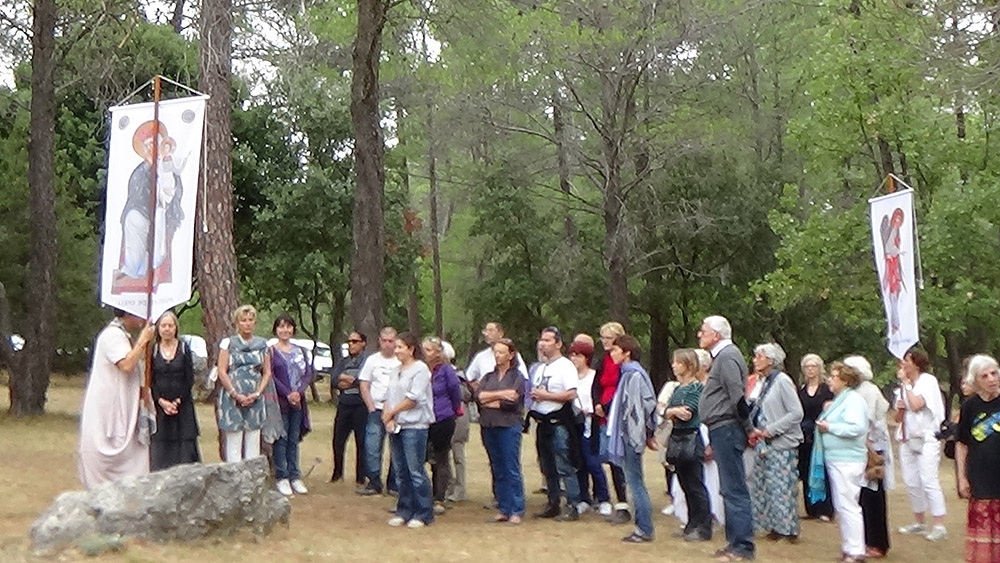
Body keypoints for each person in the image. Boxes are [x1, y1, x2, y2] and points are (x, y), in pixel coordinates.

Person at [697, 315, 755, 562]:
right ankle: (734, 542)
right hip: (720, 427)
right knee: (728, 488)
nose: (700, 334)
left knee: (734, 489)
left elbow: (737, 397)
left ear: (717, 335)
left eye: (703, 330)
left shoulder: (729, 357)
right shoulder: (721, 357)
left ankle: (743, 546)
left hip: (728, 427)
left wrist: (748, 428)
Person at [78, 309, 155, 488]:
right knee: (108, 445)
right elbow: (126, 364)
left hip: (125, 402)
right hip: (109, 405)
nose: (143, 318)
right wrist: (143, 341)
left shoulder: (123, 335)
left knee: (134, 451)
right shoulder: (112, 335)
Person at [747, 343, 804, 543]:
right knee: (764, 486)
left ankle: (789, 529)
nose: (755, 360)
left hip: (780, 442)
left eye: (759, 356)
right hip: (762, 442)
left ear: (770, 360)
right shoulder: (761, 382)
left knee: (782, 487)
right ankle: (773, 526)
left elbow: (796, 412)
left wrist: (771, 430)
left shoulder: (782, 381)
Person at [815, 361, 870, 563]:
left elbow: (856, 428)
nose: (829, 379)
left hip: (848, 459)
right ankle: (849, 546)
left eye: (833, 376)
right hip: (837, 457)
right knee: (842, 504)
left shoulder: (853, 400)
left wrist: (830, 427)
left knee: (849, 504)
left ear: (845, 380)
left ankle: (856, 550)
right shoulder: (841, 399)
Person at [606, 335, 658, 543]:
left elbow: (640, 407)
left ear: (627, 352)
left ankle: (644, 528)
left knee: (636, 482)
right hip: (629, 434)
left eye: (615, 350)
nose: (612, 354)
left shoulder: (633, 375)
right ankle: (642, 527)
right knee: (634, 481)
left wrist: (640, 433)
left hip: (630, 435)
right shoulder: (627, 374)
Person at [528, 326, 583, 521]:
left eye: (548, 340)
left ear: (558, 343)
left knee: (564, 464)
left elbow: (571, 393)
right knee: (547, 465)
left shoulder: (565, 366)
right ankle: (553, 503)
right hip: (543, 422)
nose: (543, 343)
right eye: (542, 340)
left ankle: (573, 504)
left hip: (559, 421)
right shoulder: (540, 368)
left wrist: (546, 395)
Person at [894, 347, 947, 541]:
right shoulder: (902, 386)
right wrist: (900, 407)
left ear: (916, 363)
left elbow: (917, 404)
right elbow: (898, 416)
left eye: (906, 361)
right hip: (907, 437)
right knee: (911, 481)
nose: (902, 366)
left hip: (926, 437)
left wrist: (907, 385)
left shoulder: (927, 381)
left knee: (928, 479)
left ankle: (939, 524)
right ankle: (919, 521)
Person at [384, 332, 435, 528]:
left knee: (415, 470)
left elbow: (413, 399)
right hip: (397, 425)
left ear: (411, 349)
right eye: (395, 347)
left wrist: (392, 413)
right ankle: (404, 509)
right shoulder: (396, 370)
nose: (396, 351)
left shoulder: (420, 369)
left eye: (400, 347)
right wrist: (387, 416)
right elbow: (390, 396)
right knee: (401, 471)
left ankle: (423, 512)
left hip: (414, 425)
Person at [844, 355, 893, 559]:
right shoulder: (854, 391)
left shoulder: (869, 391)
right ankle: (863, 539)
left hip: (872, 447)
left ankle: (877, 542)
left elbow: (868, 420)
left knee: (873, 497)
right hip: (860, 447)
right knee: (861, 496)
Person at [476, 337, 527, 524]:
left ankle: (517, 509)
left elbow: (511, 401)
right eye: (495, 352)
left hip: (508, 426)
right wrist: (498, 395)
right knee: (497, 467)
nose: (497, 355)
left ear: (511, 354)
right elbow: (479, 397)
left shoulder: (517, 377)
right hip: (488, 425)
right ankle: (503, 507)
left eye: (501, 352)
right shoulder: (489, 376)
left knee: (510, 467)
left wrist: (493, 400)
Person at [664, 348, 712, 542]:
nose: (674, 366)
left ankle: (704, 526)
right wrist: (672, 411)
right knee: (684, 482)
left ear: (689, 365)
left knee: (695, 484)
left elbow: (688, 412)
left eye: (678, 362)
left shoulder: (697, 388)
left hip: (691, 436)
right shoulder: (677, 389)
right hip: (677, 436)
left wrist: (671, 411)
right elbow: (667, 410)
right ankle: (692, 523)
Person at [956, 354, 1000, 563]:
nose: (991, 379)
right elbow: (962, 443)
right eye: (985, 376)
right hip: (980, 476)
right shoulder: (970, 406)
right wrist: (961, 478)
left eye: (994, 373)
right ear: (976, 380)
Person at [216, 305, 272, 462]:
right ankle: (234, 480)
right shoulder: (228, 343)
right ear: (237, 323)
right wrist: (235, 393)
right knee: (234, 441)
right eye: (243, 320)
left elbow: (267, 372)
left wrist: (257, 393)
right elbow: (222, 370)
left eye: (250, 320)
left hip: (255, 397)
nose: (247, 323)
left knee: (253, 441)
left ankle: (252, 482)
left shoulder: (263, 345)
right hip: (232, 397)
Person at [149, 310, 200, 471]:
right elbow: (150, 380)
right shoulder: (153, 350)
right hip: (160, 408)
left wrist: (177, 401)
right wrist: (161, 402)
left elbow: (189, 378)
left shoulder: (184, 348)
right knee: (160, 450)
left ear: (176, 328)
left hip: (182, 407)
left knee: (185, 450)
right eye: (163, 325)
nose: (167, 329)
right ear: (158, 328)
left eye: (170, 325)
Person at [592, 321, 632, 523]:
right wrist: (598, 403)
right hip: (603, 414)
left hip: (617, 413)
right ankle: (615, 501)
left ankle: (624, 505)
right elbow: (596, 384)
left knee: (619, 461)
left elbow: (622, 389)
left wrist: (607, 407)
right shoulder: (603, 360)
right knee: (607, 458)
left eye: (608, 338)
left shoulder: (624, 364)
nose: (604, 342)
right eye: (603, 337)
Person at [269, 313, 313, 496]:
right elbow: (270, 375)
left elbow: (308, 372)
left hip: (298, 402)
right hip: (280, 401)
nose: (285, 330)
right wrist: (287, 393)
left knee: (294, 439)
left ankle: (295, 475)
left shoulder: (301, 350)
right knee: (282, 439)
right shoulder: (270, 351)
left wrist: (299, 392)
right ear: (276, 329)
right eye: (281, 327)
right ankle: (282, 476)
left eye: (288, 326)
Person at [357, 327, 402, 496]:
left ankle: (394, 483)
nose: (388, 345)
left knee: (396, 447)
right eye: (385, 341)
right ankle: (374, 481)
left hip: (396, 410)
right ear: (379, 341)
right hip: (376, 409)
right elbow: (364, 384)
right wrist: (370, 406)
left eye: (391, 341)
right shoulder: (372, 360)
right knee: (372, 446)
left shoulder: (400, 361)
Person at [569, 338, 610, 515]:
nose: (574, 359)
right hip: (573, 422)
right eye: (572, 355)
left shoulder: (594, 376)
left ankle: (603, 498)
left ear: (586, 358)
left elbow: (597, 397)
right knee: (578, 462)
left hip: (590, 422)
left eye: (577, 356)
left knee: (593, 461)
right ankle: (583, 497)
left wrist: (591, 410)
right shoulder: (569, 377)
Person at [423, 336, 462, 515]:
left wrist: (454, 411)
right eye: (424, 349)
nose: (426, 353)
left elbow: (455, 392)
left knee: (440, 458)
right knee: (420, 456)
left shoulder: (446, 371)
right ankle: (420, 495)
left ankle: (439, 497)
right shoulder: (420, 369)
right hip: (422, 418)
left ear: (438, 353)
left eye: (430, 350)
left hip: (442, 418)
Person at [797, 353, 835, 522]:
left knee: (822, 470)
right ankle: (811, 508)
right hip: (805, 435)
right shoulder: (801, 390)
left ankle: (825, 508)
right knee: (805, 470)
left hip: (821, 434)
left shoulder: (826, 390)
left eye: (813, 366)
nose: (810, 370)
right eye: (807, 366)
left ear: (820, 369)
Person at [331, 331, 368, 485]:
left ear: (363, 343)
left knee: (362, 441)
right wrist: (344, 378)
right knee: (338, 440)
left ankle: (361, 477)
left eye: (355, 341)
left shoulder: (367, 361)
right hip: (344, 404)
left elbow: (362, 380)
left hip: (361, 405)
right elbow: (334, 380)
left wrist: (348, 380)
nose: (351, 345)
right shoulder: (343, 361)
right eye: (349, 342)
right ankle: (337, 473)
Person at [444, 341, 472, 503]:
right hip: (443, 417)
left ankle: (460, 488)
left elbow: (466, 395)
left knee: (457, 453)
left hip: (459, 416)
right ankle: (447, 484)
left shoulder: (458, 375)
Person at [465, 321, 528, 386]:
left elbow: (524, 378)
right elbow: (468, 378)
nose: (487, 334)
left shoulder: (512, 355)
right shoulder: (480, 356)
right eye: (485, 331)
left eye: (491, 330)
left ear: (500, 333)